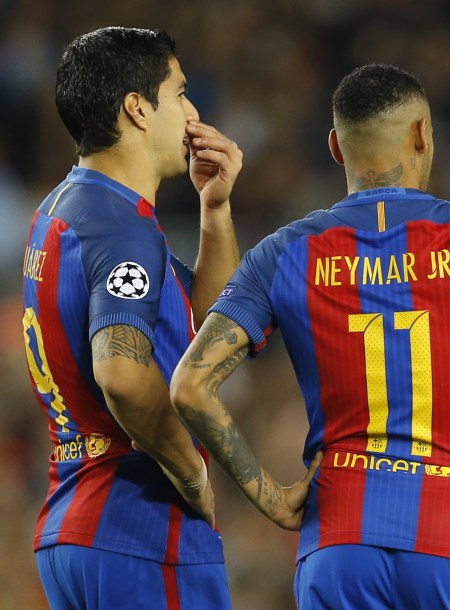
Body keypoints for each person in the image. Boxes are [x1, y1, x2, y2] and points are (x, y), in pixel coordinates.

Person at [169, 63, 450, 609]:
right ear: (423, 134)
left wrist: (271, 498)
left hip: (337, 548)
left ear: (334, 147)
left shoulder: (284, 252)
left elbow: (190, 384)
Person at [22, 26, 245, 608]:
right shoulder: (121, 228)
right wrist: (190, 469)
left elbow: (206, 327)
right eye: (180, 92)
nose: (193, 112)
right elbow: (120, 372)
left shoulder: (70, 209)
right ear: (138, 109)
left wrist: (214, 211)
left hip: (75, 527)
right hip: (140, 530)